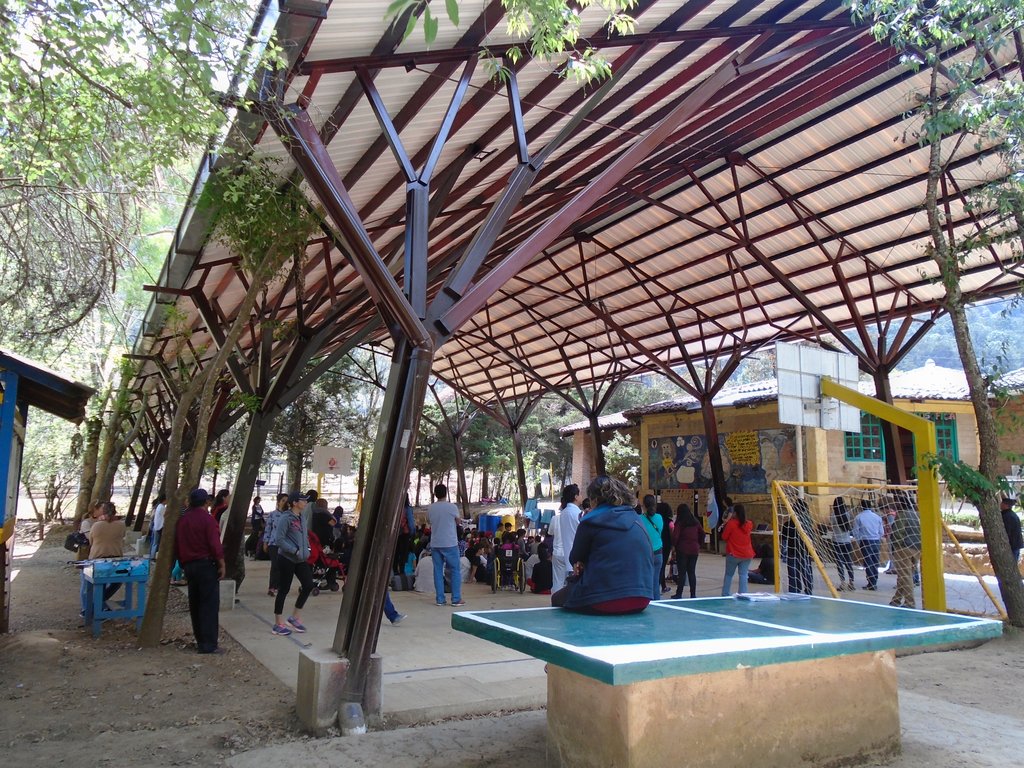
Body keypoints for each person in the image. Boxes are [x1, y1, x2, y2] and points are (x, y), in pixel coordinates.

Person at [551, 475, 654, 615]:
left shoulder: (589, 521)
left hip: (602, 601)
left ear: (594, 500)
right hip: (642, 599)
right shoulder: (637, 519)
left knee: (557, 598)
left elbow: (574, 558)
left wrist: (581, 563)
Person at [174, 488, 226, 654]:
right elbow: (215, 544)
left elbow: (178, 543)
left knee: (195, 603)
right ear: (206, 502)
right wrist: (221, 563)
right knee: (209, 604)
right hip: (205, 565)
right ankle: (209, 644)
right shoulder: (207, 520)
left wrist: (182, 562)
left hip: (189, 565)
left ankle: (200, 640)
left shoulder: (183, 520)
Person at [272, 491, 314, 636]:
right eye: (303, 500)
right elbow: (279, 540)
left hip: (300, 559)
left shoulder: (301, 517)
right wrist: (294, 551)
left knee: (308, 585)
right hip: (287, 559)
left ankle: (295, 617)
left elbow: (304, 536)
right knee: (284, 589)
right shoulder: (286, 518)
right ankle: (278, 623)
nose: (306, 502)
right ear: (295, 503)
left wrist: (307, 549)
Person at [427, 484, 464, 607]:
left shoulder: (431, 508)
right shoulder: (452, 507)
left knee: (438, 570)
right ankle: (456, 599)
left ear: (435, 494)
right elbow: (458, 521)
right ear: (446, 493)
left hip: (435, 543)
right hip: (450, 542)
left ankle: (440, 599)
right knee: (455, 570)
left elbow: (429, 521)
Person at [889, 500, 921, 608]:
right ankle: (896, 599)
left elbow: (898, 532)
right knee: (904, 575)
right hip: (917, 548)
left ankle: (909, 602)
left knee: (905, 576)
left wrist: (897, 546)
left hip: (904, 548)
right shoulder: (918, 515)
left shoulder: (902, 515)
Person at [551, 484, 582, 593]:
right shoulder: (578, 513)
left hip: (562, 551)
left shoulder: (563, 513)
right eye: (579, 494)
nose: (581, 496)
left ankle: (555, 599)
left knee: (558, 582)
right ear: (576, 497)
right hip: (575, 555)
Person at [720, 503, 754, 596]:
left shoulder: (731, 524)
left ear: (735, 513)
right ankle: (743, 593)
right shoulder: (749, 524)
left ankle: (725, 593)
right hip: (747, 553)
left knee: (729, 574)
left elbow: (724, 537)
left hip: (733, 553)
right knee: (743, 574)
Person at [671, 503, 703, 598]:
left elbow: (675, 536)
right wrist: (698, 544)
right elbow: (702, 533)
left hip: (682, 549)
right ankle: (693, 594)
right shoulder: (695, 521)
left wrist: (674, 546)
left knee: (682, 572)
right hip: (694, 549)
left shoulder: (680, 523)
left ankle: (679, 593)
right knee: (692, 572)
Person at [852, 498, 884, 590]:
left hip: (865, 541)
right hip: (876, 541)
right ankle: (874, 580)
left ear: (861, 507)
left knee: (868, 562)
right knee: (875, 561)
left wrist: (859, 541)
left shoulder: (859, 517)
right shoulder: (877, 517)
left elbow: (856, 532)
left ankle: (871, 582)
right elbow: (881, 532)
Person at [784, 498, 813, 595]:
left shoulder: (787, 524)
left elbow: (784, 540)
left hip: (792, 552)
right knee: (806, 572)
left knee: (793, 574)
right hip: (804, 551)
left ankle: (795, 591)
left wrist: (783, 554)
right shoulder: (808, 523)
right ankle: (808, 590)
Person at [263, 492, 289, 596]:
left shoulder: (290, 515)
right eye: (283, 501)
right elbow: (268, 529)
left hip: (286, 544)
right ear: (278, 502)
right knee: (275, 565)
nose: (285, 503)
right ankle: (272, 587)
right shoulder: (272, 515)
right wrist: (265, 542)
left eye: (287, 501)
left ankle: (281, 586)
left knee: (284, 566)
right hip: (273, 543)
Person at [639, 494, 664, 600]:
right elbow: (660, 532)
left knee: (645, 580)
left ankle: (647, 600)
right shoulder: (659, 517)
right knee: (655, 580)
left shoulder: (640, 519)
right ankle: (656, 601)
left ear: (644, 505)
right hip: (658, 552)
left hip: (645, 553)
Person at [831, 496, 855, 591]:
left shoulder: (833, 515)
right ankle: (851, 582)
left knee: (839, 563)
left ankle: (843, 582)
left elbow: (832, 526)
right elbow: (850, 526)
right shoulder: (847, 514)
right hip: (847, 541)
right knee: (848, 562)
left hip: (837, 541)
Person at [394, 493, 415, 575]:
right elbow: (411, 523)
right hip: (405, 533)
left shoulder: (395, 508)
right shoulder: (407, 509)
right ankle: (402, 572)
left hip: (395, 533)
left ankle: (395, 570)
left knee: (396, 553)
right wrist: (412, 532)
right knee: (403, 554)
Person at [656, 501, 673, 593]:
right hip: (666, 545)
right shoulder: (669, 521)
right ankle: (659, 586)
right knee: (662, 566)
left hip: (657, 544)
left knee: (659, 566)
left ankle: (662, 585)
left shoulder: (655, 519)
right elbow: (672, 532)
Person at [1000, 498, 1022, 565]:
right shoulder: (1012, 515)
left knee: (1010, 565)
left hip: (1012, 545)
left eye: (1002, 503)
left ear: (1006, 505)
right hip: (1015, 545)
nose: (1000, 504)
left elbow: (1007, 531)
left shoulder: (1007, 516)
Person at [149, 494, 167, 559]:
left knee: (155, 543)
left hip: (156, 526)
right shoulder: (162, 507)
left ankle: (152, 555)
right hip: (160, 527)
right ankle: (154, 556)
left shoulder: (159, 506)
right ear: (164, 500)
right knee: (157, 543)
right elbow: (165, 516)